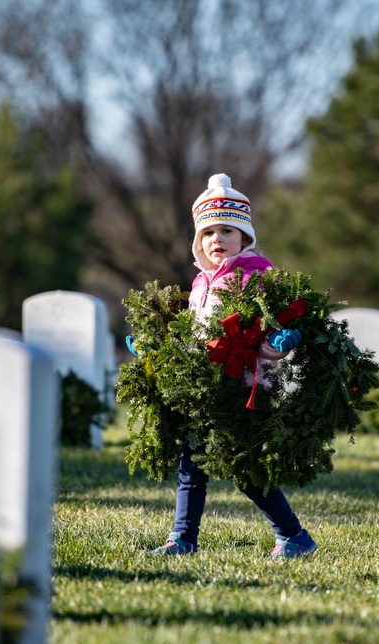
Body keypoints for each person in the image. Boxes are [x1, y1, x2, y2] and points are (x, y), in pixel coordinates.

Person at [128, 173, 316, 559]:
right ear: (199, 241)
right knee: (191, 465)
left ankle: (293, 536)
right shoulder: (200, 283)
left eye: (227, 230)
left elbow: (260, 331)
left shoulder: (254, 277)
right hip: (202, 388)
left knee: (244, 467)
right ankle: (183, 539)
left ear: (245, 236)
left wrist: (275, 347)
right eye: (209, 232)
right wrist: (156, 348)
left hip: (240, 386)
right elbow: (197, 335)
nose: (217, 239)